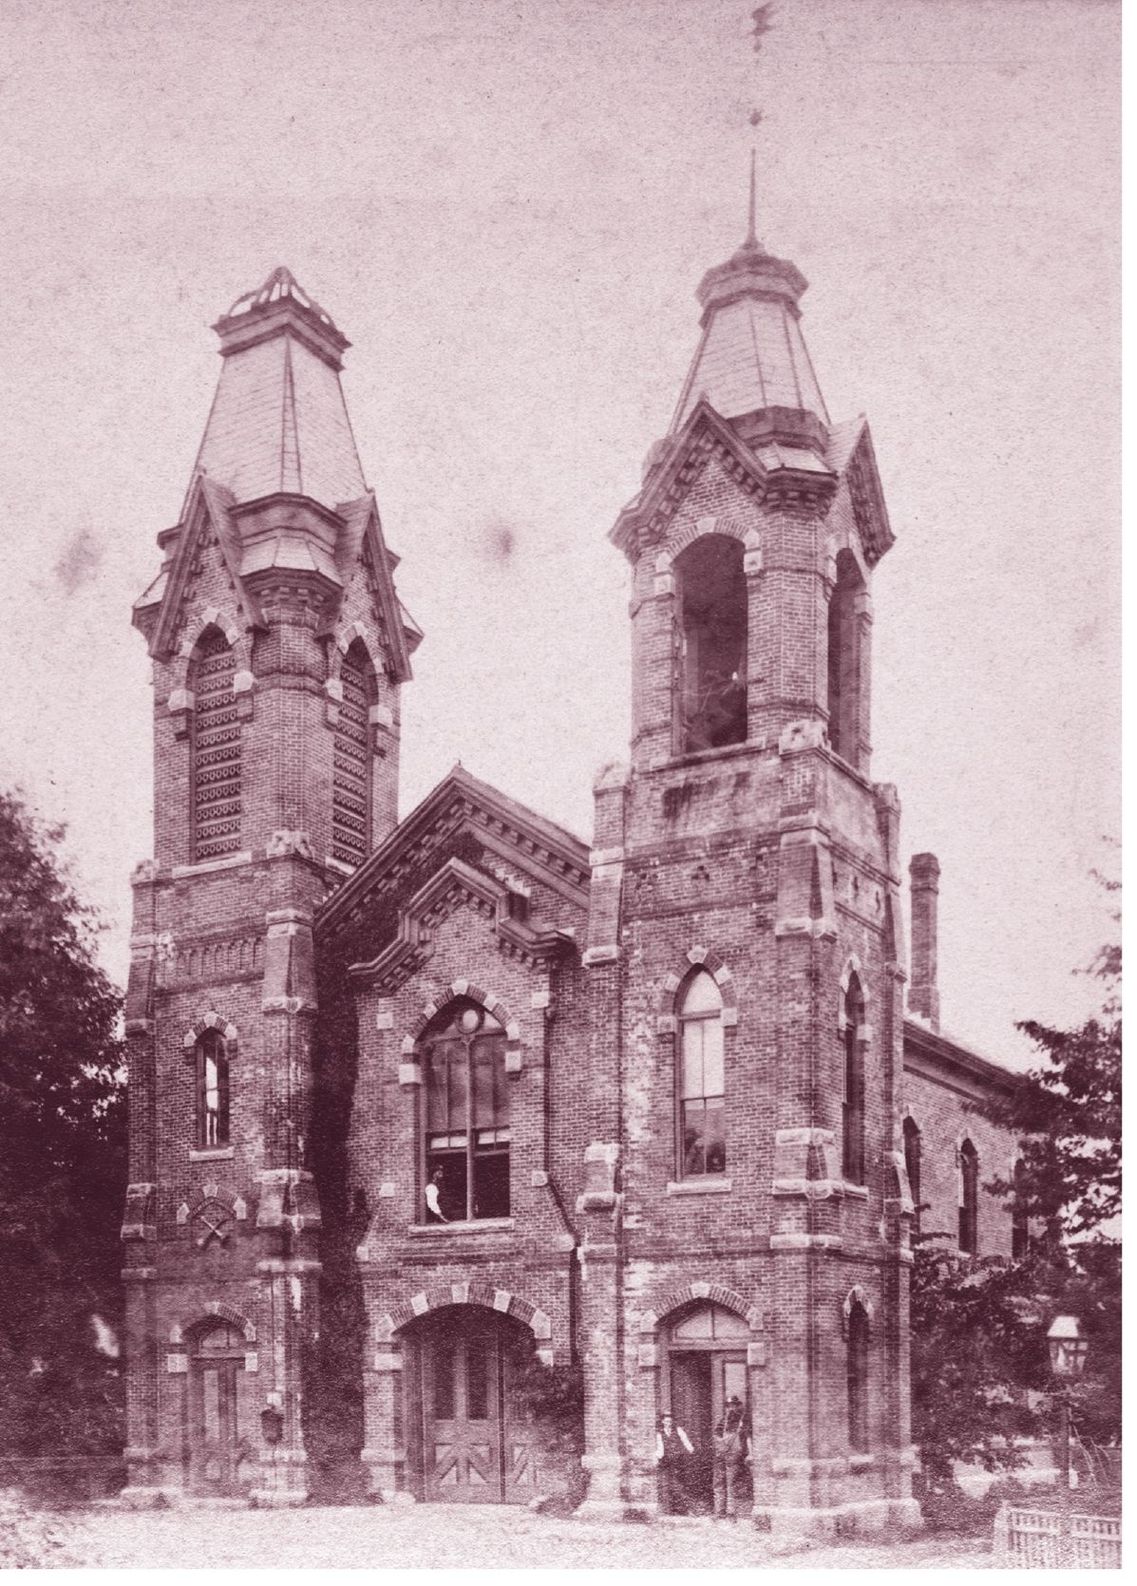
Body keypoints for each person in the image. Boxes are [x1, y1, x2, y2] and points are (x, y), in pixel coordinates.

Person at [712, 1395, 749, 1519]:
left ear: (737, 1406)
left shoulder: (741, 1421)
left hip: (733, 1456)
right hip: (721, 1454)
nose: (730, 1408)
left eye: (732, 1405)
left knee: (730, 1484)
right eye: (728, 1406)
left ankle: (731, 1512)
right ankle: (719, 1512)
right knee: (718, 1483)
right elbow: (716, 1434)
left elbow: (745, 1438)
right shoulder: (724, 1420)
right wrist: (721, 1444)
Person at [655, 1411, 693, 1514]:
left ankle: (682, 1509)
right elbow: (659, 1447)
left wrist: (690, 1449)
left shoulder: (678, 1430)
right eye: (666, 1421)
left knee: (678, 1484)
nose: (669, 1423)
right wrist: (658, 1457)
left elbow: (685, 1440)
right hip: (665, 1461)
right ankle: (667, 1510)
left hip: (676, 1461)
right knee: (665, 1485)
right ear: (663, 1422)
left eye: (670, 1421)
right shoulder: (660, 1433)